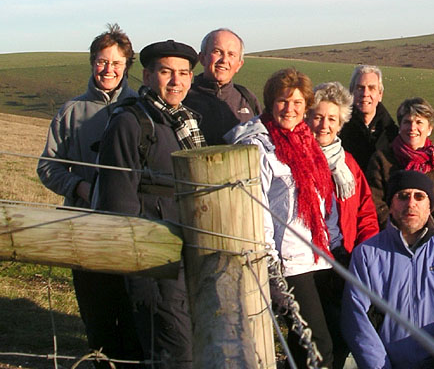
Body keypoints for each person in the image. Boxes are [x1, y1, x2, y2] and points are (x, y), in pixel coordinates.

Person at [95, 39, 206, 368]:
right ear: (146, 76)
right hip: (153, 260)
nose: (177, 81)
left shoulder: (186, 121)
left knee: (188, 346)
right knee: (175, 352)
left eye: (184, 73)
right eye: (167, 72)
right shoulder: (130, 122)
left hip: (189, 254)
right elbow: (118, 202)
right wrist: (138, 268)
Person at [36, 23, 142, 366]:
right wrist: (80, 188)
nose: (108, 70)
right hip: (83, 226)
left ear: (127, 66)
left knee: (132, 314)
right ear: (91, 63)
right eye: (101, 62)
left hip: (133, 229)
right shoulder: (70, 112)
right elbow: (47, 167)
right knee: (96, 315)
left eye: (116, 63)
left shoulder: (143, 110)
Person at [224, 68, 342, 369]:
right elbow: (257, 209)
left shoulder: (307, 141)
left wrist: (334, 242)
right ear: (269, 102)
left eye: (298, 103)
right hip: (288, 262)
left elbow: (322, 197)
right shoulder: (257, 146)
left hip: (319, 255)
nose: (290, 109)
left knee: (307, 342)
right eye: (282, 101)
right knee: (318, 346)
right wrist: (270, 265)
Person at [341, 170, 434, 369]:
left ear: (430, 205)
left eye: (419, 196)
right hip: (387, 364)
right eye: (403, 196)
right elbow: (356, 318)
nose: (411, 203)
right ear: (390, 205)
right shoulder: (367, 255)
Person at [304, 81, 380, 368]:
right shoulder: (292, 160)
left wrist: (363, 255)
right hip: (306, 262)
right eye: (318, 116)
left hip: (343, 259)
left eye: (332, 119)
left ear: (341, 124)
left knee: (341, 335)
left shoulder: (348, 164)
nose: (324, 125)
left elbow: (366, 214)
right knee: (312, 338)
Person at [366, 97, 434, 236]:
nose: (412, 128)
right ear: (400, 127)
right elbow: (372, 201)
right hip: (392, 240)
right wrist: (400, 228)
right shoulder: (382, 159)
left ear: (429, 129)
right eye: (407, 122)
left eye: (419, 122)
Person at [182, 28, 261, 145]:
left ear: (239, 64)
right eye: (217, 52)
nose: (224, 60)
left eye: (231, 54)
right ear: (202, 58)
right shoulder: (184, 98)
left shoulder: (247, 98)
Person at [339, 64, 398, 170]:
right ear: (351, 92)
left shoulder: (393, 135)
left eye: (372, 88)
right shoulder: (339, 130)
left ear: (380, 95)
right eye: (360, 88)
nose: (365, 93)